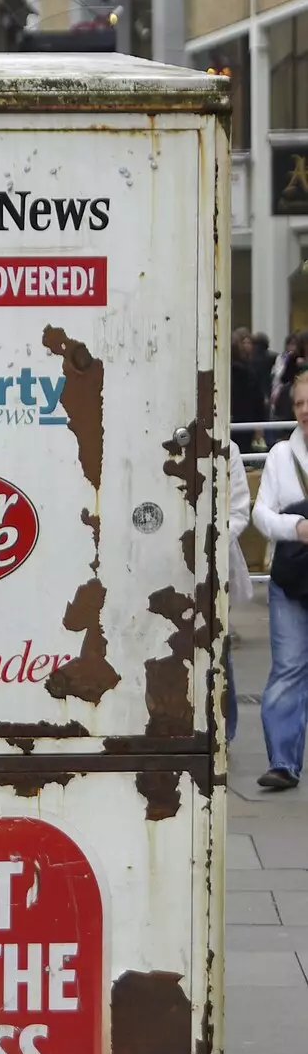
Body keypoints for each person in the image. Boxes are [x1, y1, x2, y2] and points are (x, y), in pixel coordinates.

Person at [252, 368, 308, 789]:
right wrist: (296, 528)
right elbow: (260, 514)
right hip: (293, 577)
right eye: (300, 404)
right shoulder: (280, 456)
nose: (305, 411)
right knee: (288, 667)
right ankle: (284, 763)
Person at [227, 443, 252, 740]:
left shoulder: (228, 448)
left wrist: (212, 539)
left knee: (218, 643)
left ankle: (225, 731)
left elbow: (239, 510)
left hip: (216, 558)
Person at [231, 327, 267, 453]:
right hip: (244, 418)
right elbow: (257, 399)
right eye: (244, 342)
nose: (248, 346)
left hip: (241, 418)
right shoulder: (245, 370)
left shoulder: (251, 366)